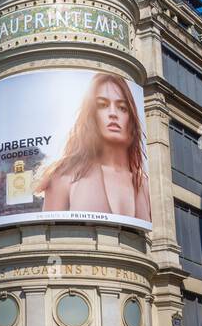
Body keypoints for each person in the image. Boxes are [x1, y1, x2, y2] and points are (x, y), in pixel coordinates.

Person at [37, 72, 152, 222]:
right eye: (102, 105)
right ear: (91, 113)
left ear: (131, 118)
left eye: (122, 107)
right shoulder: (63, 176)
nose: (113, 114)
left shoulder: (143, 184)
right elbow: (48, 236)